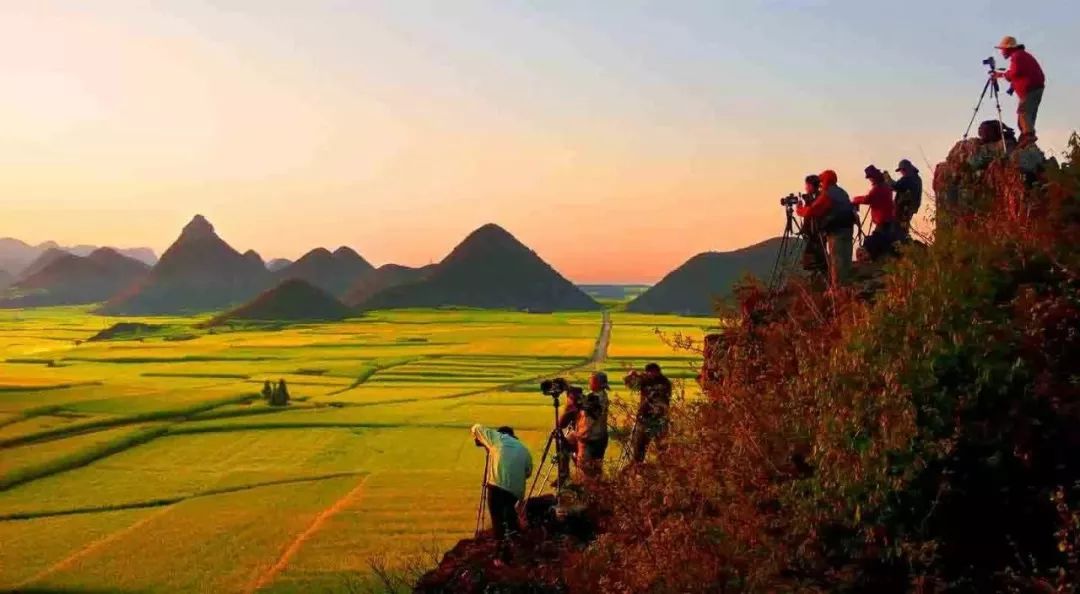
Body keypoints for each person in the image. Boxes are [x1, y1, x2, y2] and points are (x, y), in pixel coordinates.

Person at [471, 424, 533, 560]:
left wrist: (485, 443)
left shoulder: (497, 439)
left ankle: (501, 553)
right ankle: (516, 539)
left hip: (496, 485)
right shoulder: (524, 449)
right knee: (508, 509)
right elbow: (528, 472)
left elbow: (476, 428)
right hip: (515, 490)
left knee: (497, 517)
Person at [797, 169, 856, 287]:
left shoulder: (828, 193)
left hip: (836, 231)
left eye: (821, 181)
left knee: (836, 261)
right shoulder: (842, 192)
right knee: (846, 260)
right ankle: (848, 287)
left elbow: (812, 211)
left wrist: (799, 210)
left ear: (826, 181)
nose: (820, 184)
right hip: (848, 229)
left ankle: (838, 290)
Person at [992, 36, 1045, 147]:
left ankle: (1028, 136)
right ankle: (1026, 137)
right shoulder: (1022, 55)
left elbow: (1015, 73)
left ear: (1008, 48)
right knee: (1028, 114)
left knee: (1023, 112)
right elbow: (1021, 73)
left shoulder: (1017, 56)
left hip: (1030, 89)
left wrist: (1001, 75)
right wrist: (1012, 84)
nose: (1002, 52)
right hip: (1035, 88)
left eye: (1003, 49)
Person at [852, 165, 899, 261]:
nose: (870, 180)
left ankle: (874, 260)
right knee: (883, 241)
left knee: (876, 241)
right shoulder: (885, 186)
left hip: (883, 221)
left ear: (873, 177)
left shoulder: (878, 188)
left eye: (870, 178)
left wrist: (855, 200)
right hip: (888, 220)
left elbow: (867, 199)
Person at [629, 363, 673, 463]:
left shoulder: (664, 382)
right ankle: (637, 470)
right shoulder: (646, 381)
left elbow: (659, 395)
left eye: (649, 372)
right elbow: (631, 385)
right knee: (638, 449)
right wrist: (631, 376)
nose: (648, 374)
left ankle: (663, 470)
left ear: (656, 372)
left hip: (659, 420)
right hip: (644, 418)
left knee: (662, 450)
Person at [572, 372, 610, 478]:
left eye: (591, 380)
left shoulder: (598, 399)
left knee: (589, 470)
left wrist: (579, 434)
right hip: (598, 437)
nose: (589, 382)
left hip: (592, 438)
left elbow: (590, 420)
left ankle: (591, 489)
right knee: (595, 470)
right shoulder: (598, 396)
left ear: (598, 383)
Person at [799, 175, 828, 275]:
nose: (806, 188)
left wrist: (799, 208)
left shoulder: (820, 198)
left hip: (818, 231)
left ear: (811, 186)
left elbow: (808, 212)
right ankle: (821, 273)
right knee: (818, 254)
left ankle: (823, 273)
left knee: (815, 255)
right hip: (816, 231)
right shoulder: (818, 196)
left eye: (807, 185)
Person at [889, 159, 923, 239]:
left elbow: (896, 186)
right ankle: (904, 247)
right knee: (903, 229)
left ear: (905, 169)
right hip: (909, 209)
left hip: (903, 210)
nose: (901, 173)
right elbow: (899, 186)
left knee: (898, 231)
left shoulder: (908, 179)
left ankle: (900, 247)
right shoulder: (917, 179)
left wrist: (887, 179)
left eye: (902, 170)